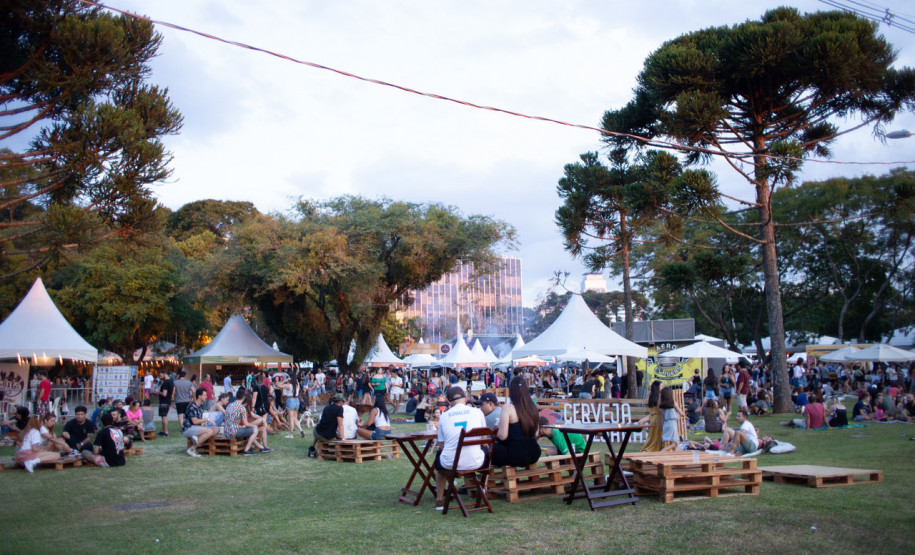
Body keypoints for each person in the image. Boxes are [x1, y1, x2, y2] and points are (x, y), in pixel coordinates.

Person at [433, 386, 488, 510]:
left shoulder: (444, 417)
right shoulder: (478, 412)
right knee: (485, 451)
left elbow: (442, 446)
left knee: (439, 460)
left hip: (451, 463)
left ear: (448, 401)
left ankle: (440, 500)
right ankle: (483, 492)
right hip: (477, 462)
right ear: (466, 398)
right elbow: (483, 440)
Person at [491, 376, 541, 467]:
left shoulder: (508, 408)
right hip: (534, 452)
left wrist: (496, 429)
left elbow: (502, 436)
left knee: (488, 449)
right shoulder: (533, 408)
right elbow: (536, 433)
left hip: (516, 454)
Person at [224, 390, 265, 456]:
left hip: (226, 431)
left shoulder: (229, 405)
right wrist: (253, 426)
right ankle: (247, 449)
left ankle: (261, 447)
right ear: (243, 398)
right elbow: (246, 424)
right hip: (234, 432)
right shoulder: (242, 408)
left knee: (249, 430)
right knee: (255, 430)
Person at [183, 388, 219, 457]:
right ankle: (192, 449)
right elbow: (195, 421)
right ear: (199, 396)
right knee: (209, 431)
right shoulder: (192, 406)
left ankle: (197, 439)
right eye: (205, 395)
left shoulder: (201, 406)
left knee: (216, 429)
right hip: (188, 428)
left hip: (197, 427)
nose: (206, 397)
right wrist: (207, 419)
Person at [309, 393, 346, 458]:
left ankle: (312, 446)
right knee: (328, 436)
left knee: (320, 429)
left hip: (317, 432)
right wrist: (343, 439)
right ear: (340, 401)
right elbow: (340, 424)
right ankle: (316, 452)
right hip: (326, 436)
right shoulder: (340, 409)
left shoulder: (326, 407)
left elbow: (326, 421)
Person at [637, 381, 663, 451]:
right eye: (661, 386)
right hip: (658, 417)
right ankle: (657, 447)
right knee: (658, 434)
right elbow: (660, 409)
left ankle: (650, 445)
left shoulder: (650, 396)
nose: (663, 388)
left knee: (652, 435)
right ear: (657, 388)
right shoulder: (659, 397)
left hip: (652, 417)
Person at [157, 371, 174, 436]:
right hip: (168, 401)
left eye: (161, 375)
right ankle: (162, 430)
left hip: (164, 402)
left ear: (164, 374)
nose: (160, 377)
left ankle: (165, 432)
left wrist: (158, 392)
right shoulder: (171, 381)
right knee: (163, 416)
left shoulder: (166, 383)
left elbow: (164, 394)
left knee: (164, 416)